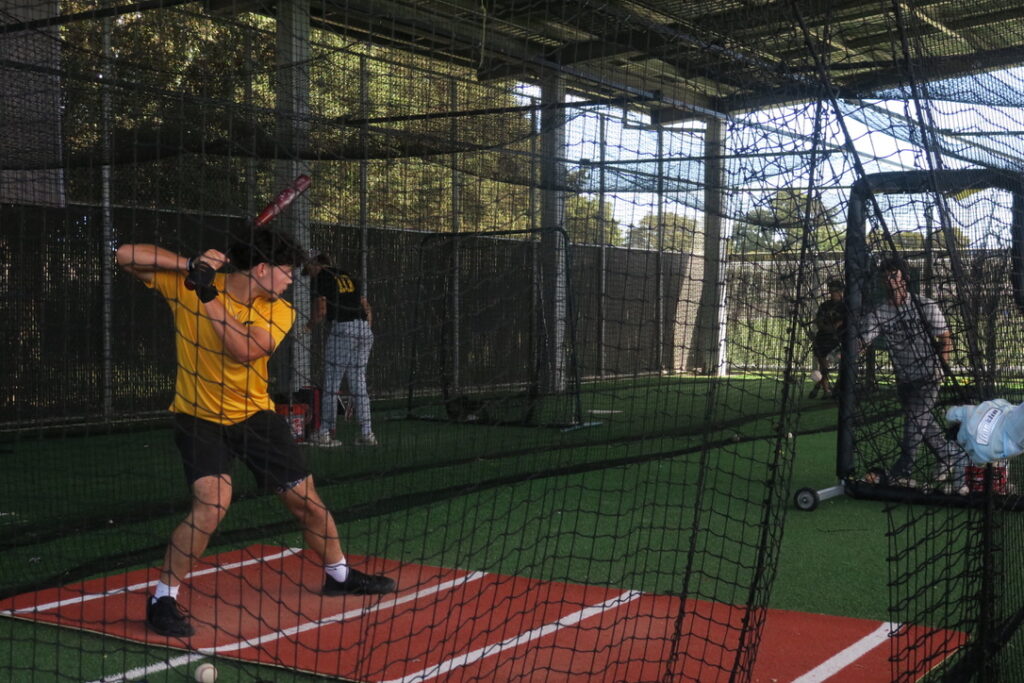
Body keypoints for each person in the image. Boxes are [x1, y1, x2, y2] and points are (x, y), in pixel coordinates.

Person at [116, 231, 395, 639]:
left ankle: (339, 575)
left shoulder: (278, 311)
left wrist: (209, 294)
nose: (290, 281)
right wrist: (190, 264)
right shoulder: (188, 284)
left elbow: (245, 350)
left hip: (255, 417)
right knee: (212, 505)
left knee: (308, 505)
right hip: (199, 418)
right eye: (285, 272)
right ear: (261, 269)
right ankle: (162, 598)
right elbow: (125, 252)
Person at [859, 256, 967, 491]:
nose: (889, 280)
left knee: (914, 423)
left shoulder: (925, 305)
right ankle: (948, 456)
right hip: (905, 379)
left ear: (904, 278)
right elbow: (863, 341)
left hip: (929, 376)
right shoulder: (880, 313)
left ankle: (903, 472)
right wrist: (846, 353)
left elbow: (946, 338)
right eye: (885, 276)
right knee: (924, 424)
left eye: (893, 275)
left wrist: (941, 368)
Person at [304, 252, 377, 447]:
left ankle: (324, 433)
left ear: (316, 264)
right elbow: (366, 307)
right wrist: (364, 329)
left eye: (309, 268)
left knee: (331, 383)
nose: (309, 273)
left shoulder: (321, 277)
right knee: (358, 382)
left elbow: (321, 311)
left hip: (343, 330)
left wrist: (306, 328)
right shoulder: (347, 275)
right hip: (364, 331)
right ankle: (367, 433)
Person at [809, 278, 846, 399]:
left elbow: (842, 323)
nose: (832, 293)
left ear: (841, 291)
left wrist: (835, 327)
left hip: (838, 341)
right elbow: (819, 322)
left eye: (835, 290)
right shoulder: (825, 305)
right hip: (823, 339)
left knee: (840, 364)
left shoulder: (845, 306)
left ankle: (831, 388)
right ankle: (826, 390)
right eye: (831, 290)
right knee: (823, 366)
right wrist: (827, 327)